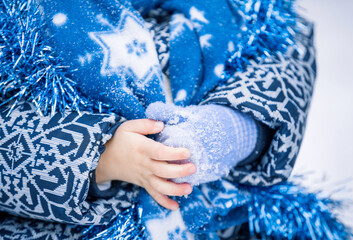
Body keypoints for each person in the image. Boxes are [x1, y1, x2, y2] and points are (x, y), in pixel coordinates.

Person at [0, 0, 316, 239]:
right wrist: (100, 157)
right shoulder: (20, 17)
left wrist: (231, 129)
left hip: (220, 222)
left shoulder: (239, 8)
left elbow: (284, 59)